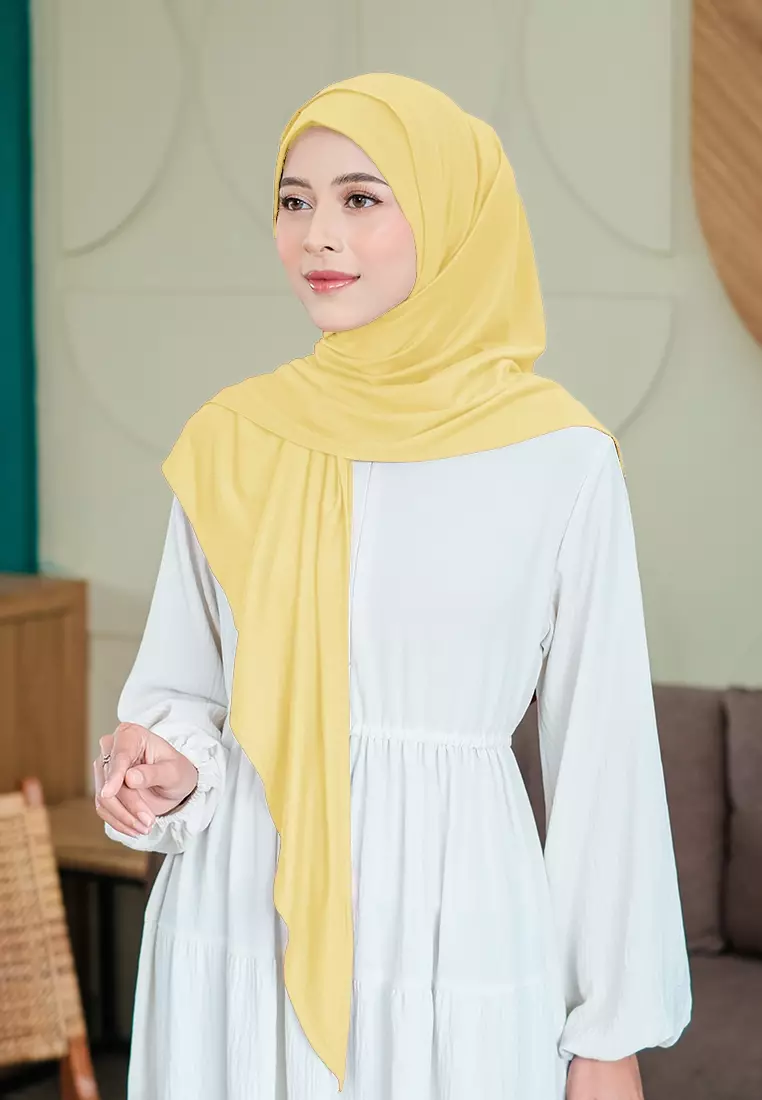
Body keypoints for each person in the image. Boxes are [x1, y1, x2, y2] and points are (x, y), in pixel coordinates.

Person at [93, 73, 692, 1100]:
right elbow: (180, 696)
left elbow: (605, 759)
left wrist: (610, 1033)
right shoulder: (234, 440)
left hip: (455, 930)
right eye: (294, 200)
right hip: (239, 919)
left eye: (361, 198)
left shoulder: (561, 458)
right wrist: (163, 765)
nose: (317, 234)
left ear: (451, 213)